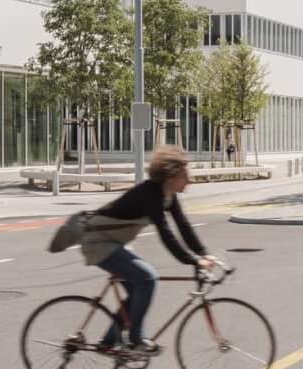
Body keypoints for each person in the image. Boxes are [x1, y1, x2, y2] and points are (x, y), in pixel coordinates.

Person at [79, 146, 216, 355]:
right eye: (185, 176)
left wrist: (203, 253)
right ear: (170, 176)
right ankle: (135, 339)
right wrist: (193, 261)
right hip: (98, 241)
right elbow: (166, 233)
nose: (189, 180)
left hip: (114, 242)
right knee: (148, 278)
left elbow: (183, 227)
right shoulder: (150, 193)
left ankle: (108, 342)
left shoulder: (167, 195)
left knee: (137, 289)